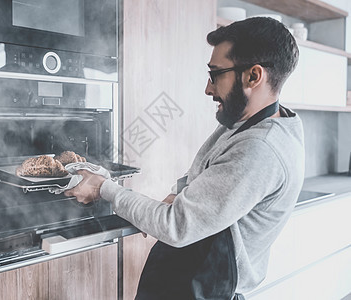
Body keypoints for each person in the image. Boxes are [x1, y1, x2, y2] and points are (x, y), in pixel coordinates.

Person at [65, 17, 305, 299]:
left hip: (203, 289)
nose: (208, 88)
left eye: (216, 74)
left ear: (253, 76)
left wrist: (102, 187)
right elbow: (208, 175)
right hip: (185, 279)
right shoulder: (248, 123)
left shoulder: (261, 148)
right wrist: (179, 194)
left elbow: (176, 226)